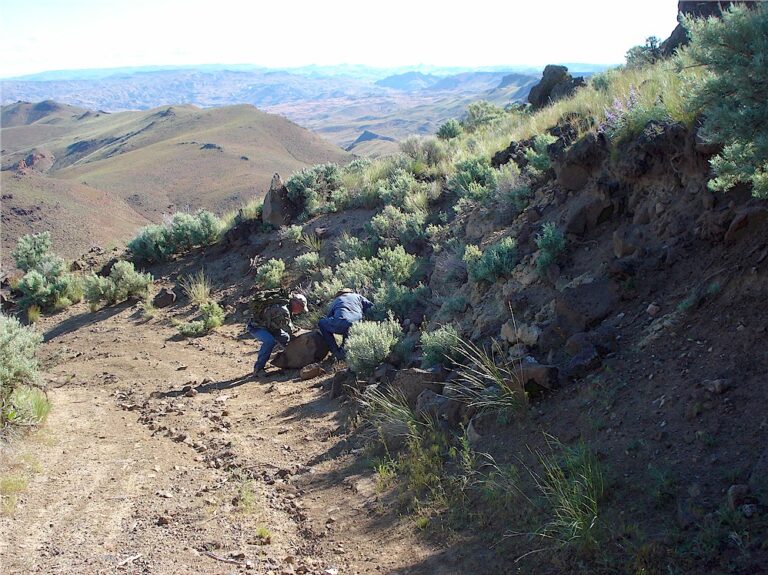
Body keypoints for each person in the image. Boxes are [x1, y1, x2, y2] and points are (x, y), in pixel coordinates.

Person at [247, 292, 308, 377]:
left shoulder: (286, 307)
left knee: (285, 338)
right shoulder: (284, 310)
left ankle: (290, 361)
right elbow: (290, 330)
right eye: (301, 308)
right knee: (269, 341)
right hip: (256, 327)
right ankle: (258, 369)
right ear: (296, 304)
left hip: (270, 327)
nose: (300, 311)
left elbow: (287, 328)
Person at [318, 288, 373, 360]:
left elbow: (330, 317)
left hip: (341, 323)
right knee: (348, 327)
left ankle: (335, 352)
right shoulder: (358, 296)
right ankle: (343, 352)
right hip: (357, 325)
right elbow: (372, 307)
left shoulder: (336, 301)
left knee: (322, 323)